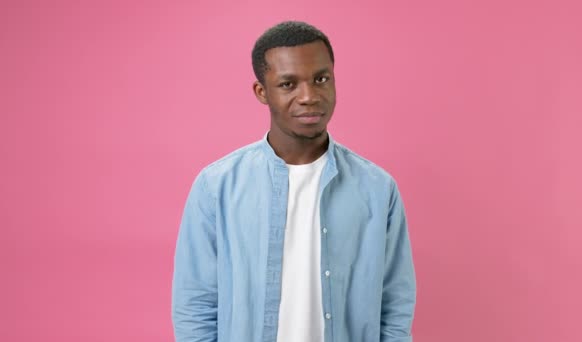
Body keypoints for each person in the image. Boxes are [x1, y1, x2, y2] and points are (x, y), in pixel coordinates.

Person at [172, 21, 416, 342]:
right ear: (262, 92)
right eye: (288, 84)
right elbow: (195, 303)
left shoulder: (377, 188)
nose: (309, 96)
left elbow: (395, 301)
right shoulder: (216, 186)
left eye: (321, 79)